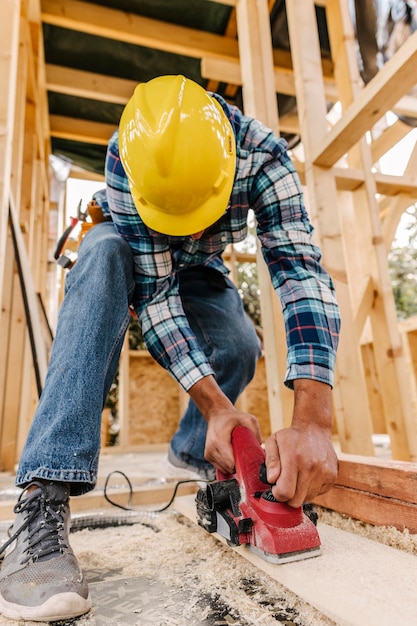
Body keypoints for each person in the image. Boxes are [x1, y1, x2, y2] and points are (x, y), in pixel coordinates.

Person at [0, 75, 340, 622]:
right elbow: (155, 299)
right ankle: (45, 494)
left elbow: (299, 273)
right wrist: (217, 405)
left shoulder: (264, 155)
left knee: (237, 343)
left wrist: (315, 417)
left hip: (201, 265)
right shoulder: (124, 156)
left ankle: (193, 452)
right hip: (134, 250)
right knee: (103, 256)